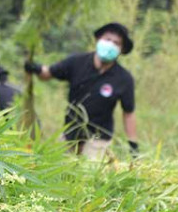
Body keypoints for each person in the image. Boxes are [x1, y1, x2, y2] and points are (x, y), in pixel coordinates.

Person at [24, 23, 138, 159]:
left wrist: (133, 144)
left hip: (98, 138)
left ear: (121, 50)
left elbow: (128, 113)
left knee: (89, 175)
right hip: (70, 132)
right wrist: (36, 68)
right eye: (108, 39)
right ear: (98, 40)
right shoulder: (77, 62)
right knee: (57, 169)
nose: (110, 44)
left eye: (116, 43)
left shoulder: (123, 78)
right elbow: (48, 73)